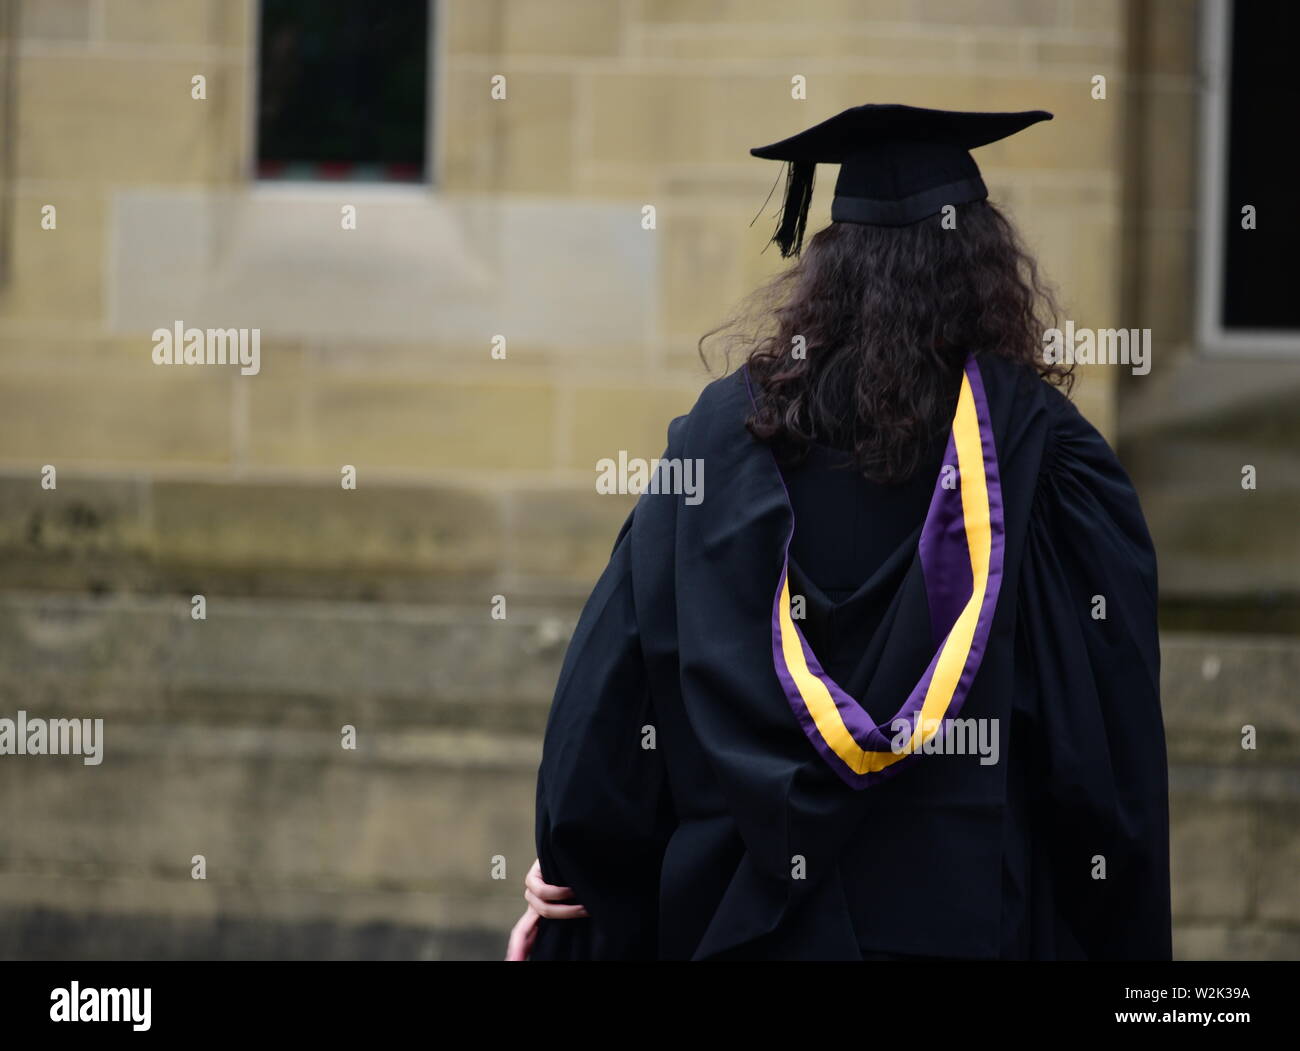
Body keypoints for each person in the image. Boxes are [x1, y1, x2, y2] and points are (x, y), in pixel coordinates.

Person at [506, 104, 1172, 961]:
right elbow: (1106, 768)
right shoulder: (1051, 465)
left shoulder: (715, 449)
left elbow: (608, 714)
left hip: (742, 933)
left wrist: (572, 875)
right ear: (987, 272)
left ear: (827, 272)